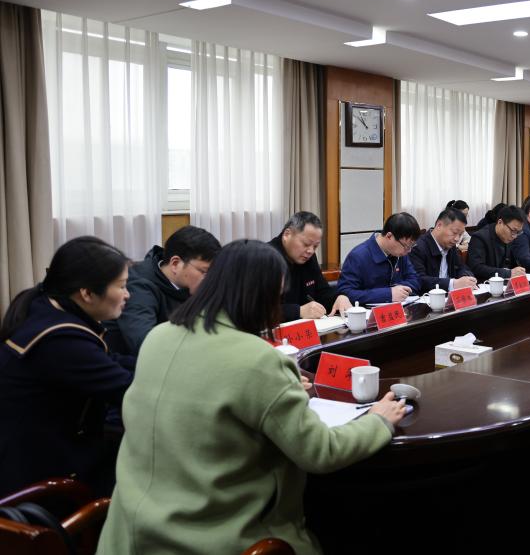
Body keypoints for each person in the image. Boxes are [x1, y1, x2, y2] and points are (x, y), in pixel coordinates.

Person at [96, 240, 405, 555]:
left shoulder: (158, 337)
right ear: (262, 297)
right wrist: (378, 420)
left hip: (127, 533)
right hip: (212, 540)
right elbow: (320, 452)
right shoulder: (259, 360)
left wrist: (276, 390)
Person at [0, 236, 135, 496]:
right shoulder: (62, 339)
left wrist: (159, 362)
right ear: (87, 293)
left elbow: (107, 361)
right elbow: (130, 391)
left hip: (40, 452)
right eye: (122, 286)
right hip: (38, 478)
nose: (127, 295)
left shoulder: (44, 308)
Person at [105, 225, 220, 356]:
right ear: (175, 264)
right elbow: (144, 343)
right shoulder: (139, 288)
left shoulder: (189, 283)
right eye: (205, 271)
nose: (210, 279)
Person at [269, 212, 351, 321]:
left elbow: (322, 291)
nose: (311, 251)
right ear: (287, 234)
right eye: (306, 244)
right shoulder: (266, 258)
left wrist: (338, 297)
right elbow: (258, 310)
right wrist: (298, 311)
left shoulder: (309, 257)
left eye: (315, 246)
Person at [337, 212, 422, 305]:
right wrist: (388, 294)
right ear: (389, 236)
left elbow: (415, 280)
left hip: (399, 308)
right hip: (368, 312)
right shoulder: (358, 256)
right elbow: (345, 293)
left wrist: (398, 290)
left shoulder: (400, 253)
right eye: (406, 246)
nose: (409, 251)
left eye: (411, 246)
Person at [410, 208, 478, 291]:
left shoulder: (450, 245)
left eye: (460, 235)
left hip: (450, 296)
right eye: (454, 233)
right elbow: (419, 280)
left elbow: (461, 267)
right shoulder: (417, 248)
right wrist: (453, 284)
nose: (457, 239)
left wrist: (466, 278)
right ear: (439, 225)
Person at [467, 205, 528, 282]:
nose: (515, 236)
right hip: (485, 284)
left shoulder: (510, 236)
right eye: (513, 230)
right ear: (500, 222)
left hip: (505, 282)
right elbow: (477, 268)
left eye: (518, 232)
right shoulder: (480, 237)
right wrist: (508, 273)